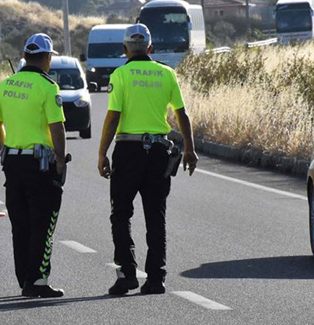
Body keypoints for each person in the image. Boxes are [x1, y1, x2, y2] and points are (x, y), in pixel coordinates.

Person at [97, 24, 198, 295]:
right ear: (151, 48)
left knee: (121, 213)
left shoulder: (120, 75)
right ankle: (156, 278)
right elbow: (182, 114)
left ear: (124, 49)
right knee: (156, 215)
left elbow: (113, 116)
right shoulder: (167, 74)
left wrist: (102, 153)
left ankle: (127, 273)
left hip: (128, 151)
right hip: (158, 152)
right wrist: (189, 149)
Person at [0, 33, 67, 298]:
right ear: (47, 58)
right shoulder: (48, 87)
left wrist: (5, 149)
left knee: (20, 223)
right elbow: (57, 128)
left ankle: (24, 278)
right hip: (40, 164)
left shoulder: (6, 85)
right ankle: (38, 280)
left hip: (12, 162)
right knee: (43, 223)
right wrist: (60, 159)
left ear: (24, 57)